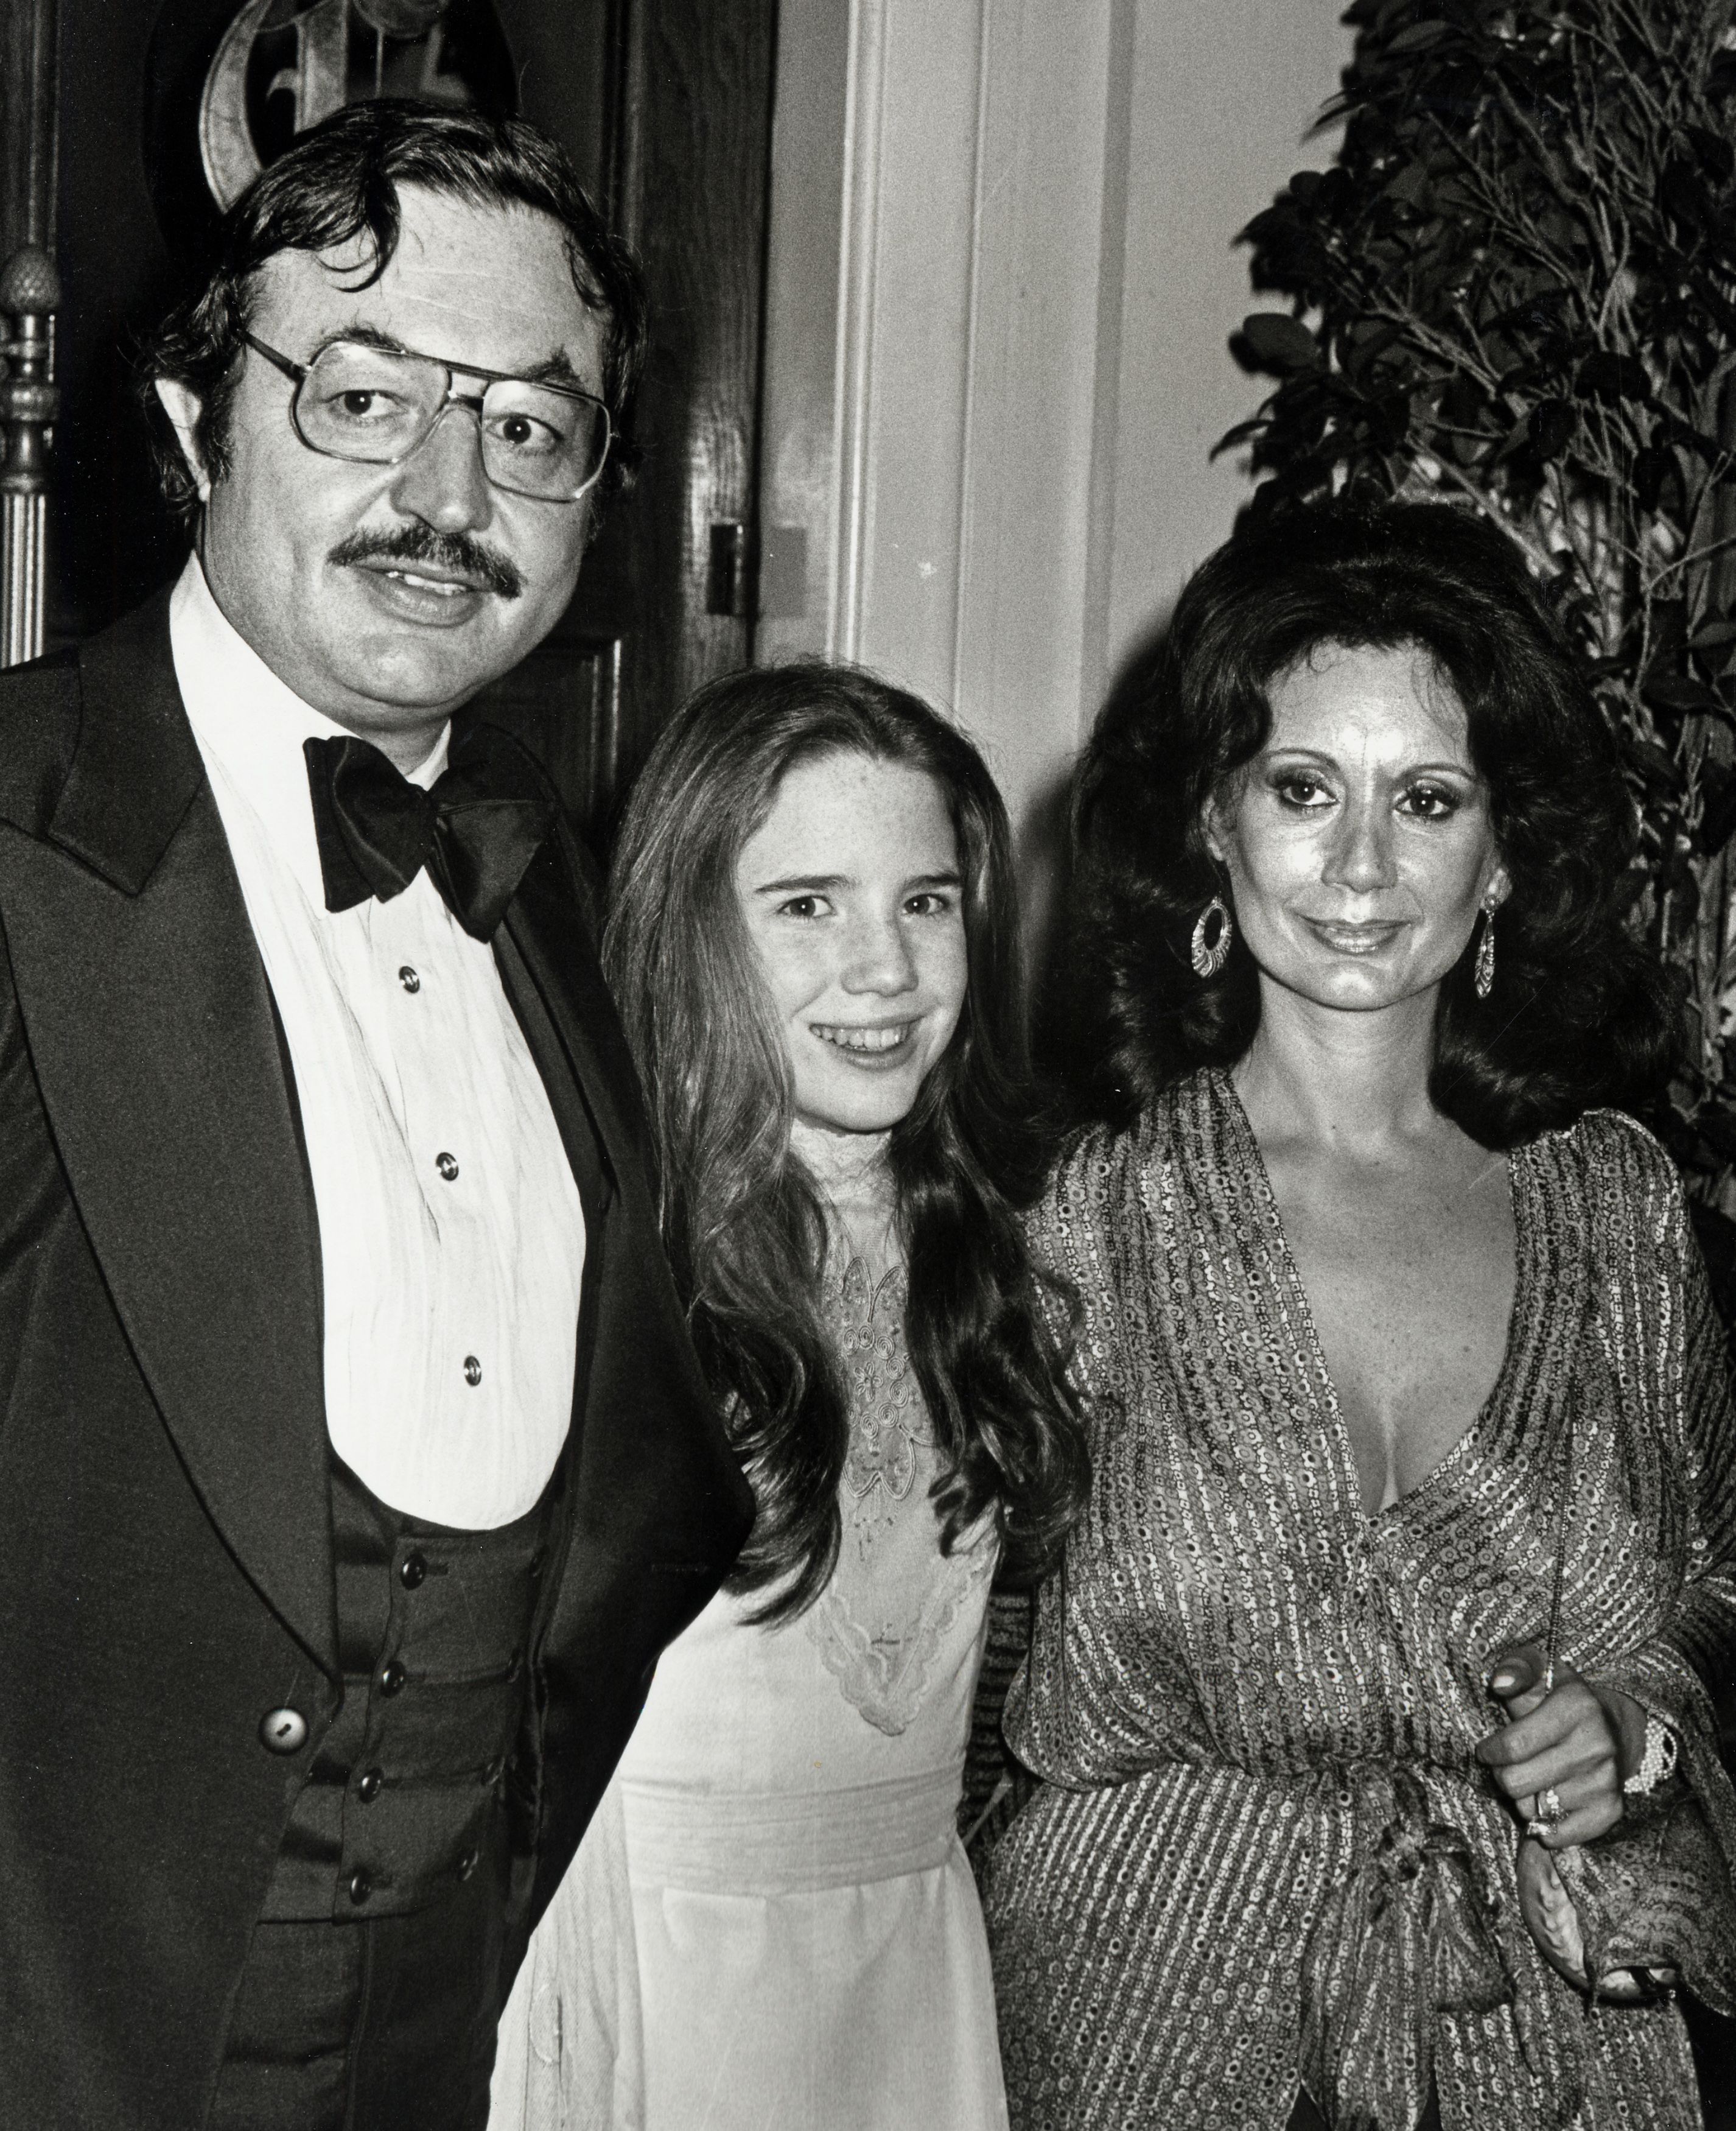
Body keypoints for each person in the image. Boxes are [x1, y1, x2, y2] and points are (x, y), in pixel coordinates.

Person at [0, 102, 752, 2131]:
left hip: (434, 2047)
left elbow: (642, 1490)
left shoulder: (561, 906)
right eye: (362, 393)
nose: (446, 489)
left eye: (528, 425)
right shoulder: (12, 842)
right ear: (192, 421)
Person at [982, 500, 1736, 2131]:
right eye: (1302, 787)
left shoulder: (1614, 1214)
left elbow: (1698, 1601)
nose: (1358, 866)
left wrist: (1630, 1735)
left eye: (1428, 798)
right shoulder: (1080, 1212)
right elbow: (947, 1681)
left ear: (1503, 852)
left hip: (1544, 2045)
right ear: (1212, 821)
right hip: (1131, 2038)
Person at [490, 664, 1090, 2130]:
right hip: (649, 1979)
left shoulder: (1008, 1253)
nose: (882, 969)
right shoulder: (595, 1255)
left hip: (906, 1981)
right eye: (807, 905)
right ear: (694, 929)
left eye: (925, 902)